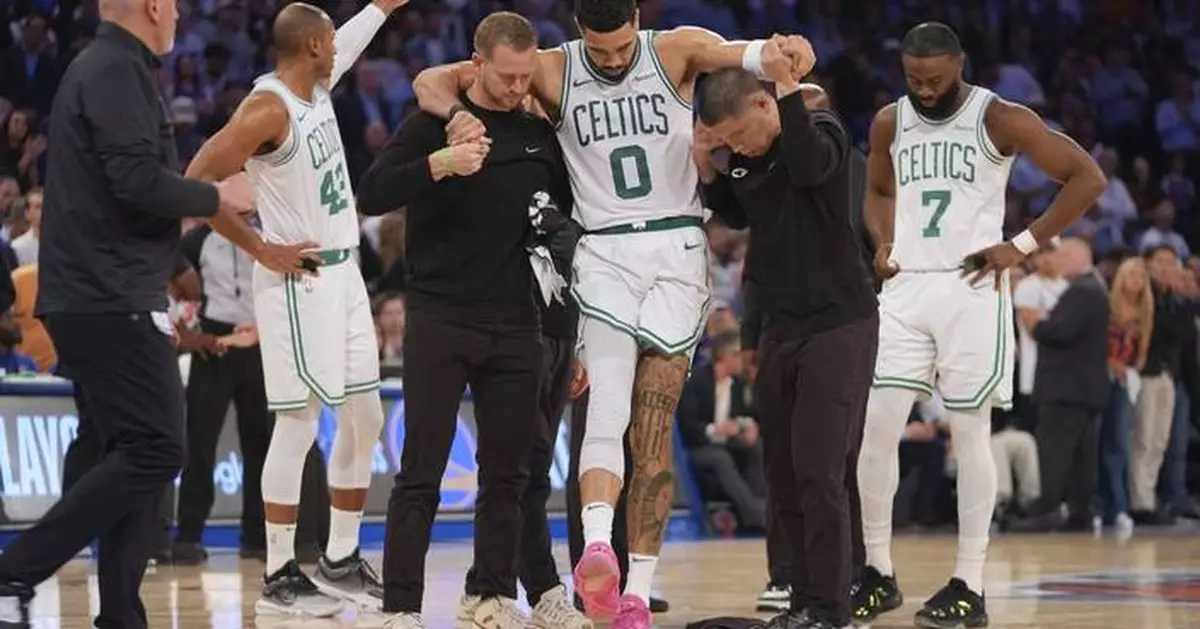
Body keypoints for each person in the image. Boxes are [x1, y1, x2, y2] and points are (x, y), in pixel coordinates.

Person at [411, 3, 809, 624]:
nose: (615, 59)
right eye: (602, 50)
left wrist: (785, 52)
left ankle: (634, 591)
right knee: (608, 407)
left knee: (654, 428)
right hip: (604, 249)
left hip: (676, 246)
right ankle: (599, 548)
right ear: (578, 33)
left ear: (637, 22)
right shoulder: (550, 69)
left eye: (623, 47)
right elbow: (430, 82)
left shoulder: (676, 48)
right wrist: (460, 115)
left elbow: (755, 54)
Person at [0, 0, 314, 626]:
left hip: (94, 293)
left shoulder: (99, 67)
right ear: (152, 6)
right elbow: (137, 181)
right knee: (156, 448)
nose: (176, 15)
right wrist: (216, 194)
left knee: (127, 451)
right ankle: (13, 572)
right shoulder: (115, 71)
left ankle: (120, 613)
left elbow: (121, 187)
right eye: (171, 4)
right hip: (108, 298)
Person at [853, 22, 1106, 628]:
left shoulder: (1001, 118)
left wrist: (1019, 245)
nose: (925, 89)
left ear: (959, 65)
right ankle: (877, 572)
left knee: (971, 435)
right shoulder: (890, 120)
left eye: (935, 79)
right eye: (914, 79)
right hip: (908, 285)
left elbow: (1087, 178)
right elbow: (878, 188)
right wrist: (881, 242)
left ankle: (970, 582)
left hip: (971, 288)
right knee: (876, 429)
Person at [184, 0, 411, 617]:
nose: (338, 46)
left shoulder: (316, 84)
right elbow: (196, 179)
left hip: (345, 278)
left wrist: (383, 7)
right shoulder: (267, 108)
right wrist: (261, 245)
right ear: (312, 44)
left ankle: (339, 557)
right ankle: (280, 573)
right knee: (299, 424)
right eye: (329, 39)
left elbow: (356, 38)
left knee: (364, 418)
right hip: (299, 279)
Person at [355, 12, 572, 629]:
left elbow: (561, 223)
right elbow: (371, 192)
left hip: (517, 321)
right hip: (440, 315)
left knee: (509, 473)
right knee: (420, 472)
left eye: (526, 76)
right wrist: (440, 164)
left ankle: (491, 595)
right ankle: (400, 605)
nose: (516, 88)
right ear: (476, 65)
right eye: (506, 76)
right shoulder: (431, 124)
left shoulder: (538, 134)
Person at [695, 44, 878, 628]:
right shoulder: (746, 154)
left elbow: (808, 167)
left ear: (765, 104)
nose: (739, 148)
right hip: (781, 329)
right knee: (783, 474)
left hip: (839, 324)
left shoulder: (820, 129)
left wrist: (788, 88)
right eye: (729, 140)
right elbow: (740, 212)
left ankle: (832, 606)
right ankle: (801, 599)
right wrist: (707, 163)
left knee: (821, 472)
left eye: (741, 132)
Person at [1010, 238, 1109, 532]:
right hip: (1083, 389)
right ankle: (1079, 512)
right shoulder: (1093, 289)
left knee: (1056, 451)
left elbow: (1060, 332)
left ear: (1080, 259)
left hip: (1065, 388)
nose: (1058, 260)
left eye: (1064, 255)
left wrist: (1036, 324)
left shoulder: (1081, 291)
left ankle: (1047, 510)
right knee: (1081, 454)